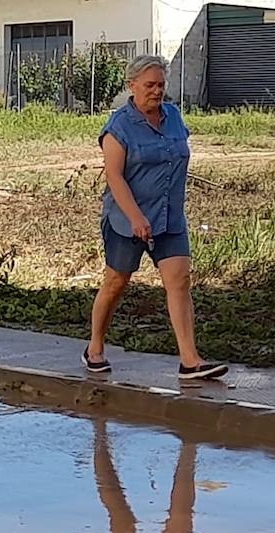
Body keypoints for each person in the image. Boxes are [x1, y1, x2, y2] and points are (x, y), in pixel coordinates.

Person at [85, 55, 227, 381]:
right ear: (131, 86)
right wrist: (135, 217)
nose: (156, 91)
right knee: (116, 283)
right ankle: (95, 347)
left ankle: (190, 361)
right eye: (149, 85)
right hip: (126, 220)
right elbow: (115, 178)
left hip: (169, 217)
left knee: (179, 282)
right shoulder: (118, 127)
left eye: (161, 85)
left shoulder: (174, 117)